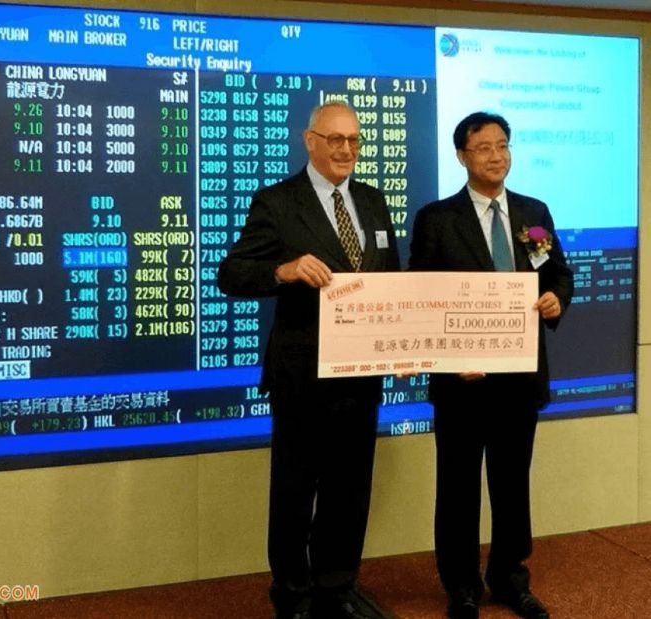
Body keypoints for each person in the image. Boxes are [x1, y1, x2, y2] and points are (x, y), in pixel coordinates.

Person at [218, 102, 399, 619]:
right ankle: (293, 594)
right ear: (310, 140)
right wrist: (285, 269)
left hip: (361, 374)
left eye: (354, 140)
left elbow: (390, 281)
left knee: (350, 490)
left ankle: (336, 589)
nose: (346, 149)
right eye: (335, 139)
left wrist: (404, 343)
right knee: (295, 491)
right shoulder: (278, 202)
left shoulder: (372, 200)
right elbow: (232, 275)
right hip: (301, 375)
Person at [408, 112, 574, 619]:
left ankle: (508, 578)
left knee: (511, 486)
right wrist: (450, 355)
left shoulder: (531, 213)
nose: (496, 156)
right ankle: (461, 587)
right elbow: (422, 297)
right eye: (483, 148)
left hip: (519, 380)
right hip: (462, 382)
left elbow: (557, 273)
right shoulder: (437, 219)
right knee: (458, 488)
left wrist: (556, 300)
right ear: (462, 155)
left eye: (503, 145)